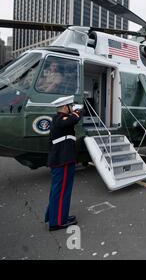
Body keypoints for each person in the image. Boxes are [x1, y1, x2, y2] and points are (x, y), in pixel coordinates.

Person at [45, 96, 83, 231]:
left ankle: (57, 216)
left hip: (62, 159)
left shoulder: (58, 119)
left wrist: (75, 112)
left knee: (59, 190)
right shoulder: (61, 119)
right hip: (63, 160)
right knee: (61, 191)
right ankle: (58, 222)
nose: (72, 108)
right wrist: (79, 111)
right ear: (65, 107)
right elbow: (73, 120)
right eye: (70, 106)